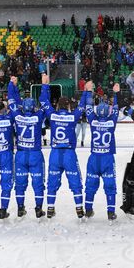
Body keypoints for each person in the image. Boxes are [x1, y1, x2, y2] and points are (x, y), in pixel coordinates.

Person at [39, 75, 89, 219]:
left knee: (52, 182)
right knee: (75, 181)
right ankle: (79, 209)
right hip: (69, 154)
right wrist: (86, 92)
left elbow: (43, 101)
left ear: (56, 106)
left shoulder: (52, 115)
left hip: (55, 153)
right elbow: (82, 106)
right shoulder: (73, 117)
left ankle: (50, 208)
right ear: (68, 106)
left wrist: (45, 85)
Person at [8, 76, 49, 218]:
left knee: (20, 184)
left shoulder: (17, 115)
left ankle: (20, 208)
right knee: (38, 183)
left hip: (20, 154)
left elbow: (12, 101)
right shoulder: (38, 116)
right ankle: (38, 208)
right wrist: (44, 85)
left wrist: (12, 85)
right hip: (35, 154)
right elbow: (45, 103)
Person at [84, 83, 120, 222]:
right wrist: (116, 94)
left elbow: (88, 108)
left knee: (90, 185)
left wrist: (88, 92)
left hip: (94, 157)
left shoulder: (93, 121)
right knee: (110, 185)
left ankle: (88, 210)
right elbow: (116, 109)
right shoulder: (112, 122)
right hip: (107, 158)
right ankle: (110, 212)